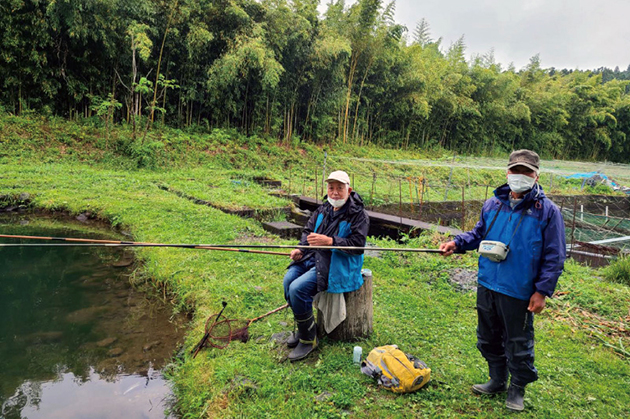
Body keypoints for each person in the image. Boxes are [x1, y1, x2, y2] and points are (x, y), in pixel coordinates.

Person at [439, 150, 566, 412]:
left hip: (519, 289)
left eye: (526, 172)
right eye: (515, 171)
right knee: (487, 336)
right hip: (488, 282)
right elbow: (478, 234)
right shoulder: (492, 204)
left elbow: (555, 255)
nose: (520, 176)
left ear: (536, 175)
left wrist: (542, 291)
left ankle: (517, 387)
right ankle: (497, 379)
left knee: (518, 341)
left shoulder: (547, 212)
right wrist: (456, 243)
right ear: (507, 173)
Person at [283, 170, 369, 361]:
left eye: (340, 188)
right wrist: (301, 249)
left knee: (298, 289)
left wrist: (330, 241)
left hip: (337, 263)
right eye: (331, 188)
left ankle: (308, 340)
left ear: (349, 190)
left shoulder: (358, 215)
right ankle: (305, 327)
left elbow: (358, 246)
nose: (335, 193)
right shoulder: (322, 210)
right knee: (288, 280)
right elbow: (307, 233)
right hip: (313, 258)